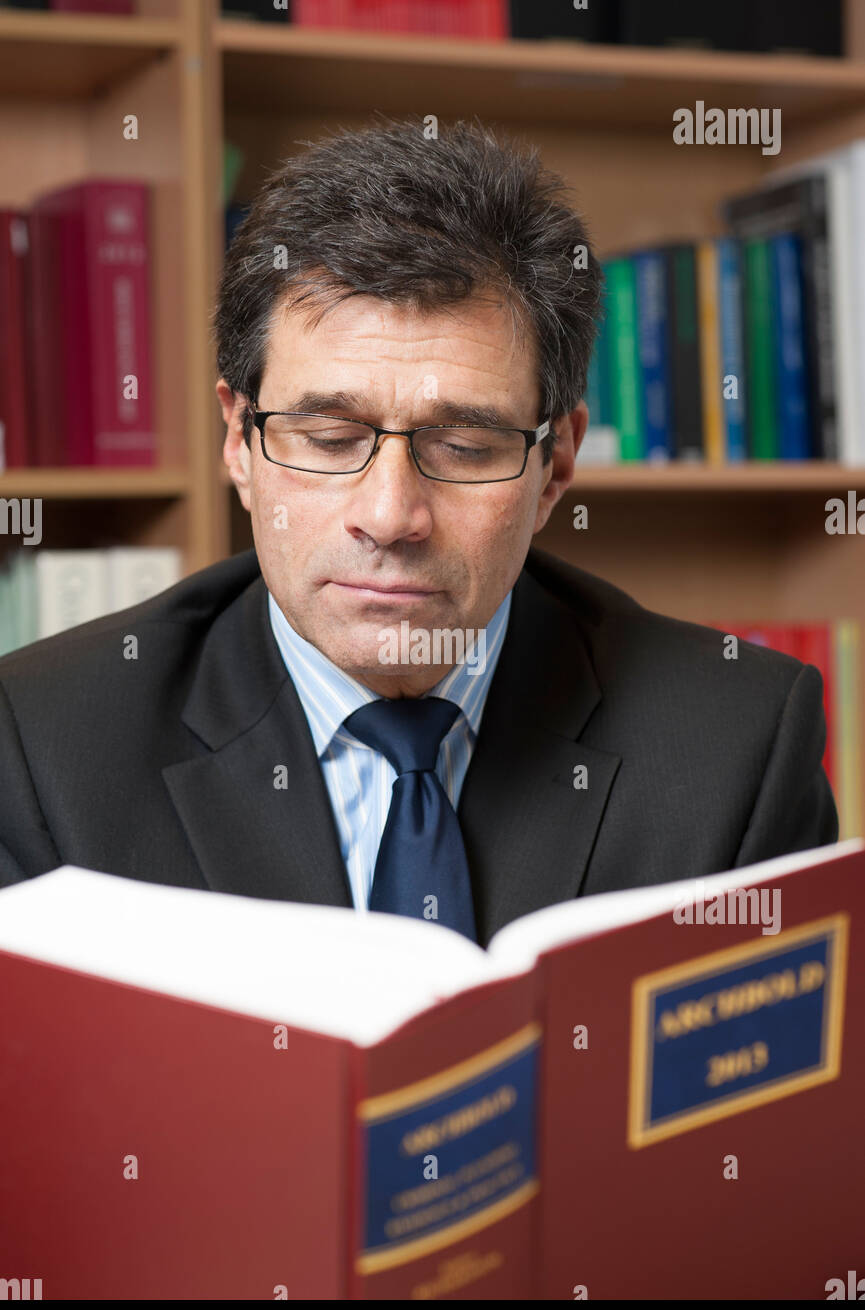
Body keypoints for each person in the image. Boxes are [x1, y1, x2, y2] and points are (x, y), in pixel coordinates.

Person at [0, 120, 837, 946]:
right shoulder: (44, 748)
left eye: (465, 447)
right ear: (238, 442)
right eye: (329, 440)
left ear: (558, 465)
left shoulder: (737, 747)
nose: (391, 515)